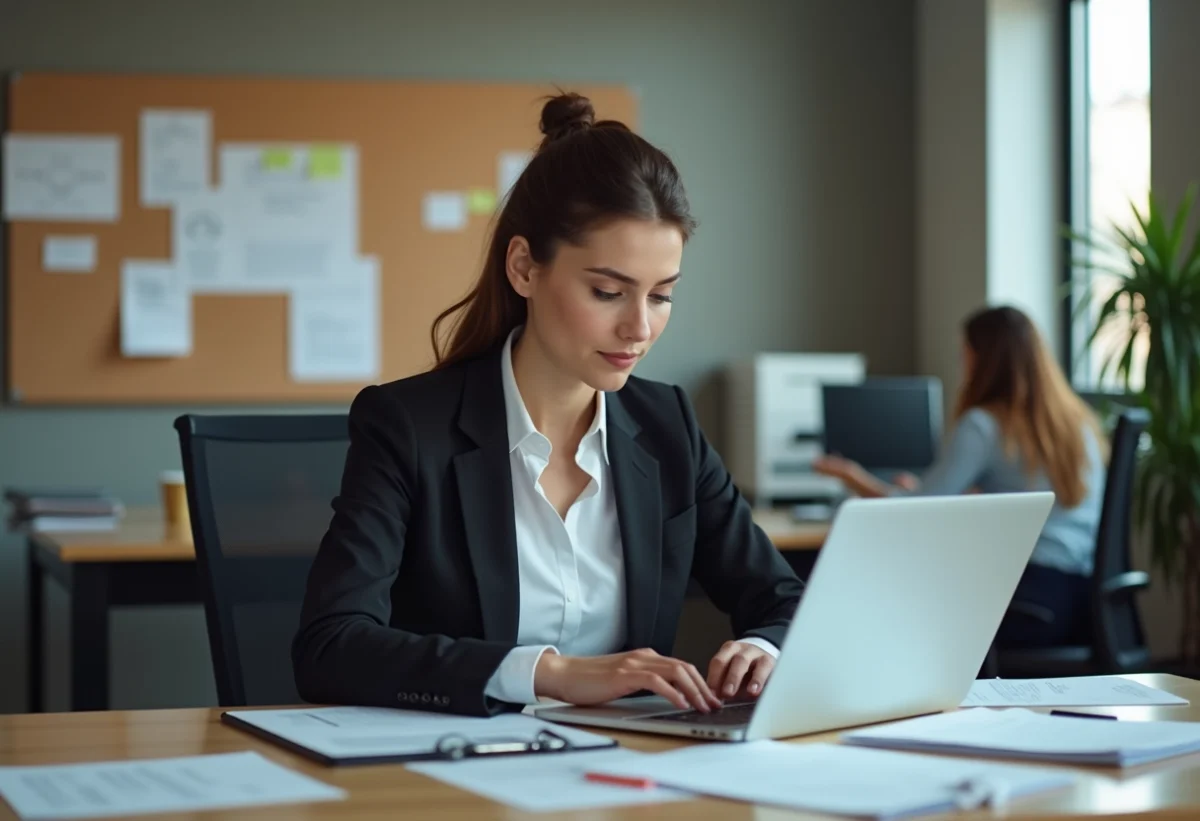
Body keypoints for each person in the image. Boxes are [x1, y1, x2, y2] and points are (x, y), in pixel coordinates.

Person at [292, 92, 804, 718]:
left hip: (629, 770)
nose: (639, 328)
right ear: (524, 268)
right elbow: (331, 645)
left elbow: (784, 599)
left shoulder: (667, 424)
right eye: (608, 291)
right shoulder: (408, 426)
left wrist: (762, 646)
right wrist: (549, 675)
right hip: (460, 768)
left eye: (662, 296)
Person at [813, 305, 1108, 647]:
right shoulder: (1079, 422)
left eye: (963, 354)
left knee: (888, 589)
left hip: (1027, 602)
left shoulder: (983, 424)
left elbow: (918, 509)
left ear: (983, 359)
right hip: (1084, 605)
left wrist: (853, 476)